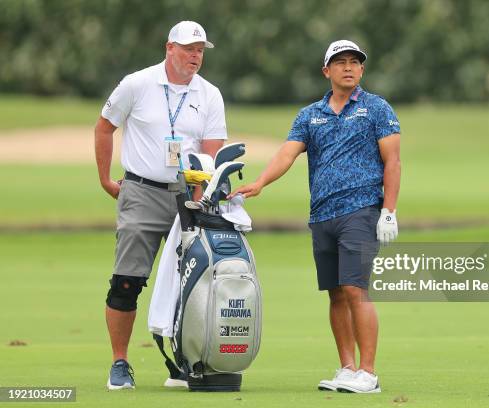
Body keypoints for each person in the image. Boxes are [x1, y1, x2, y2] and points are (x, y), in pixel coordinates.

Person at [230, 39, 401, 393]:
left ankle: (368, 373)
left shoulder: (376, 109)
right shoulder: (310, 115)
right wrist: (261, 181)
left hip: (362, 209)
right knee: (336, 294)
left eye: (355, 62)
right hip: (323, 215)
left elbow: (393, 162)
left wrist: (388, 211)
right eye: (341, 63)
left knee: (356, 289)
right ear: (327, 71)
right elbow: (287, 154)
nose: (349, 67)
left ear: (362, 69)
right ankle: (347, 368)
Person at [94, 20, 227, 390]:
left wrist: (201, 197)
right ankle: (120, 363)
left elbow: (211, 150)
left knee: (195, 284)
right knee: (127, 281)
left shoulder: (209, 94)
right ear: (170, 48)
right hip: (141, 190)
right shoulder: (137, 83)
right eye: (188, 49)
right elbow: (105, 126)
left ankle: (185, 360)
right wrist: (106, 179)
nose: (195, 56)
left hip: (190, 194)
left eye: (200, 50)